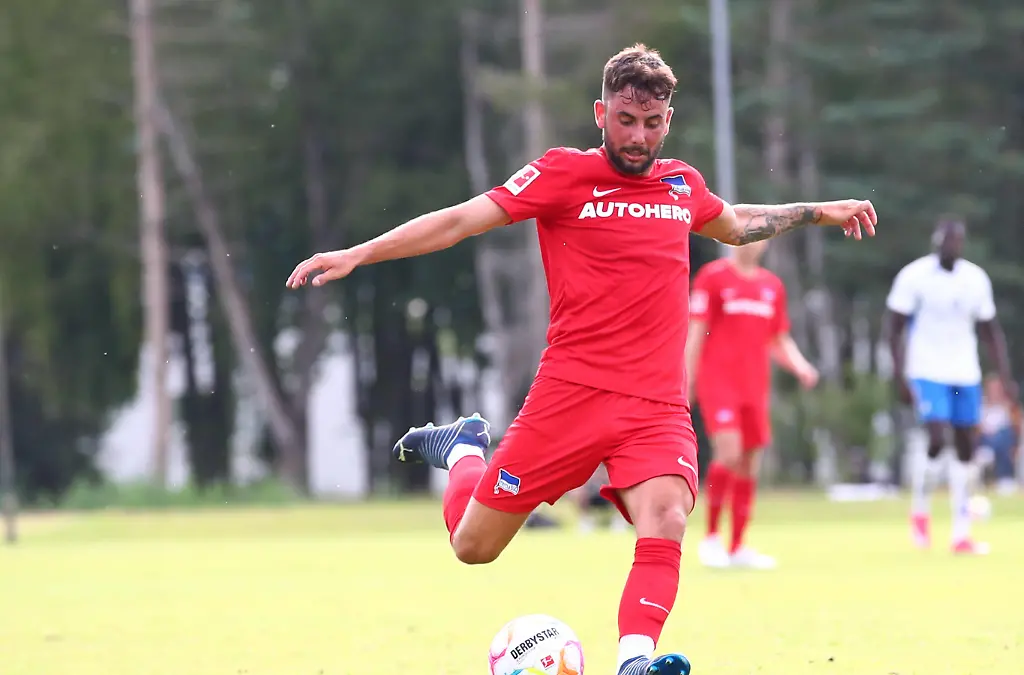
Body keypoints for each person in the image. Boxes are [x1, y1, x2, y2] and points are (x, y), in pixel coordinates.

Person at [287, 44, 877, 675]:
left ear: (668, 122)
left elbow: (736, 224)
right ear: (601, 113)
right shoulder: (561, 175)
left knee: (669, 515)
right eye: (626, 120)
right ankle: (462, 450)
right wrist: (358, 254)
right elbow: (460, 221)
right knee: (473, 547)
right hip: (570, 395)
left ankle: (635, 660)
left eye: (652, 123)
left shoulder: (681, 185)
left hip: (655, 404)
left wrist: (819, 211)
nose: (638, 135)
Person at [685, 241, 818, 569]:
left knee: (749, 463)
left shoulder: (771, 286)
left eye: (758, 235)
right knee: (728, 454)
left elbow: (778, 338)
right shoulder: (713, 277)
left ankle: (738, 546)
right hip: (719, 383)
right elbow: (696, 330)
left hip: (754, 387)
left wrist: (801, 365)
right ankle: (711, 538)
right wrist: (685, 380)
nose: (751, 242)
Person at [885, 217, 1015, 556]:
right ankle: (921, 511)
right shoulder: (914, 277)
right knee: (937, 438)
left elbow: (990, 331)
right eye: (947, 241)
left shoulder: (975, 279)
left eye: (958, 241)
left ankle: (961, 532)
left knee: (966, 447)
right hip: (927, 371)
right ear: (937, 241)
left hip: (964, 372)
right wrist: (898, 375)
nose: (953, 247)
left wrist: (1004, 376)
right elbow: (894, 327)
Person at [978, 372, 1022, 495]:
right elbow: (975, 428)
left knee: (1004, 437)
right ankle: (997, 475)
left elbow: (1016, 428)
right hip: (983, 439)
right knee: (994, 438)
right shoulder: (980, 406)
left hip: (1004, 440)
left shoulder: (1009, 407)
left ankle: (1004, 478)